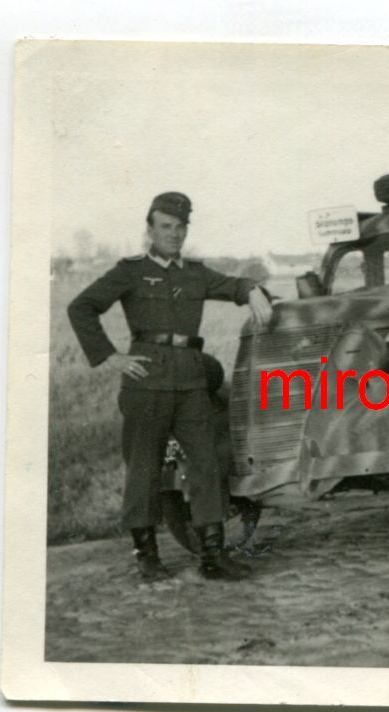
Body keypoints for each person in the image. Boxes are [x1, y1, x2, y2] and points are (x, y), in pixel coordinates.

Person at [67, 192, 273, 581]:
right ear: (150, 230)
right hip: (146, 383)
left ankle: (213, 556)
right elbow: (81, 307)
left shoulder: (195, 273)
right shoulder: (129, 271)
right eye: (165, 227)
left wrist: (251, 290)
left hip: (191, 382)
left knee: (207, 465)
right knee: (144, 469)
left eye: (180, 228)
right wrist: (112, 357)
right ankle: (147, 557)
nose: (174, 234)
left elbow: (231, 285)